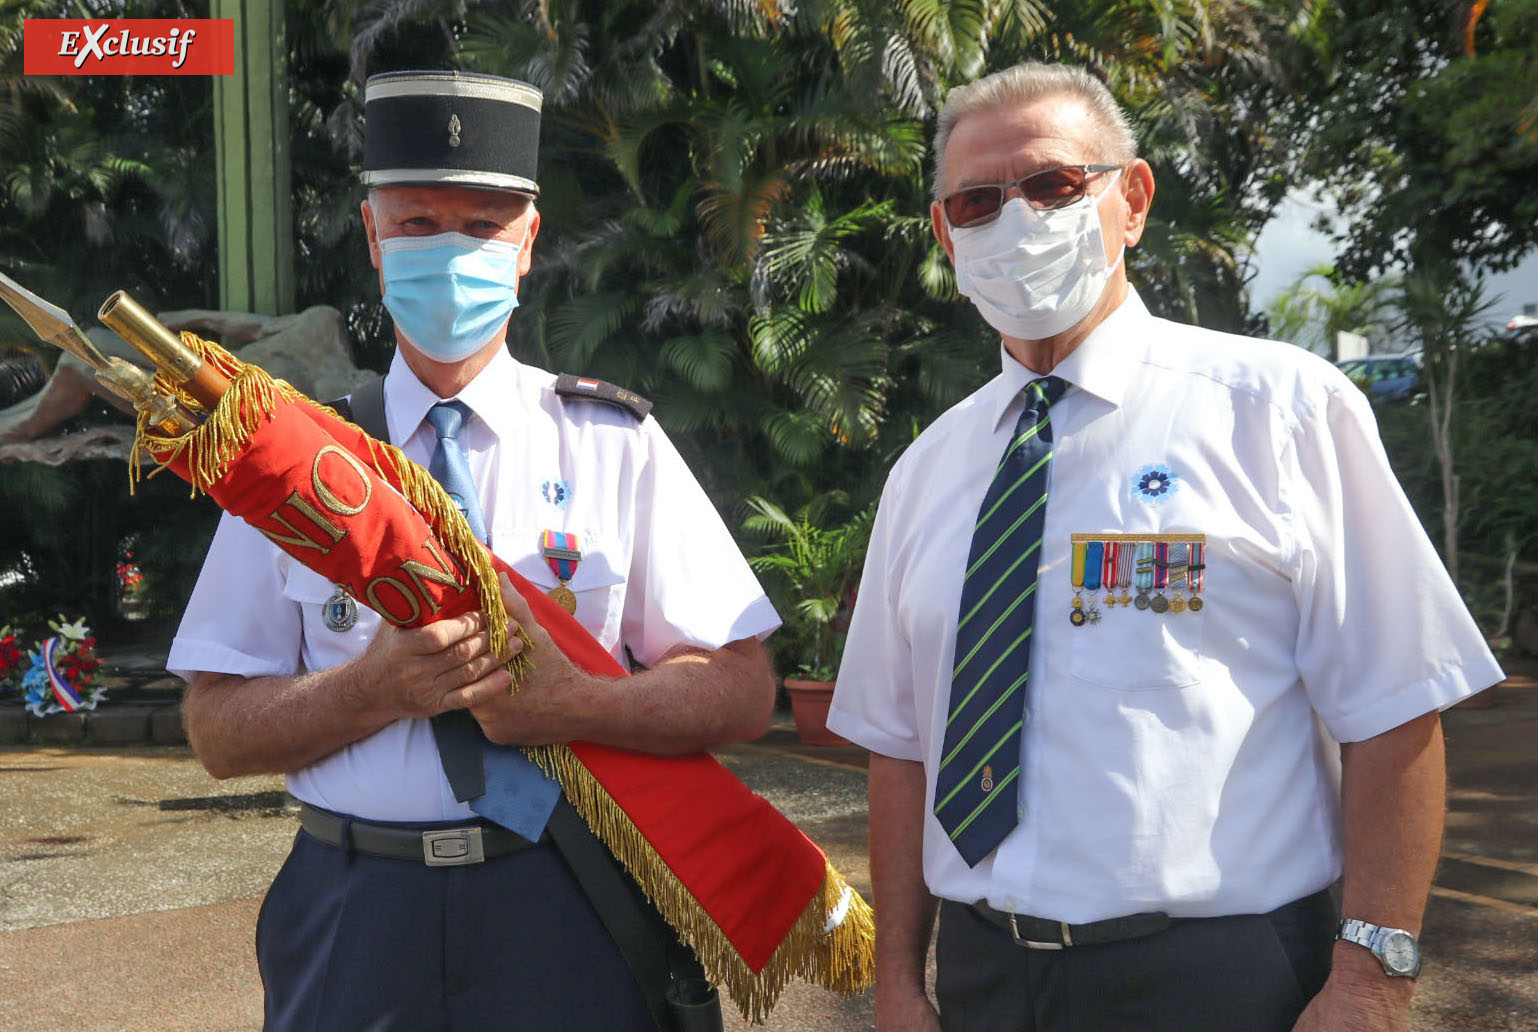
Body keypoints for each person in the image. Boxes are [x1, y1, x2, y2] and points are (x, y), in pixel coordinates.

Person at [826, 62, 1504, 1032]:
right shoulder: (927, 471)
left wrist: (1372, 975)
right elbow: (899, 751)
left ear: (1131, 199)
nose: (1015, 222)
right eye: (977, 201)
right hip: (984, 979)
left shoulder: (1279, 410)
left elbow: (1392, 705)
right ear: (944, 232)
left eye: (1054, 185)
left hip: (1220, 979)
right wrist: (898, 984)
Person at [168, 70, 780, 1032]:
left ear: (528, 242)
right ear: (371, 240)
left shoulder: (613, 443)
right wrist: (371, 689)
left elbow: (743, 687)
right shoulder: (295, 466)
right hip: (354, 911)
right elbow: (215, 729)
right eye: (415, 223)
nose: (449, 251)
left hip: (567, 900)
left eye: (483, 224)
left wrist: (578, 704)